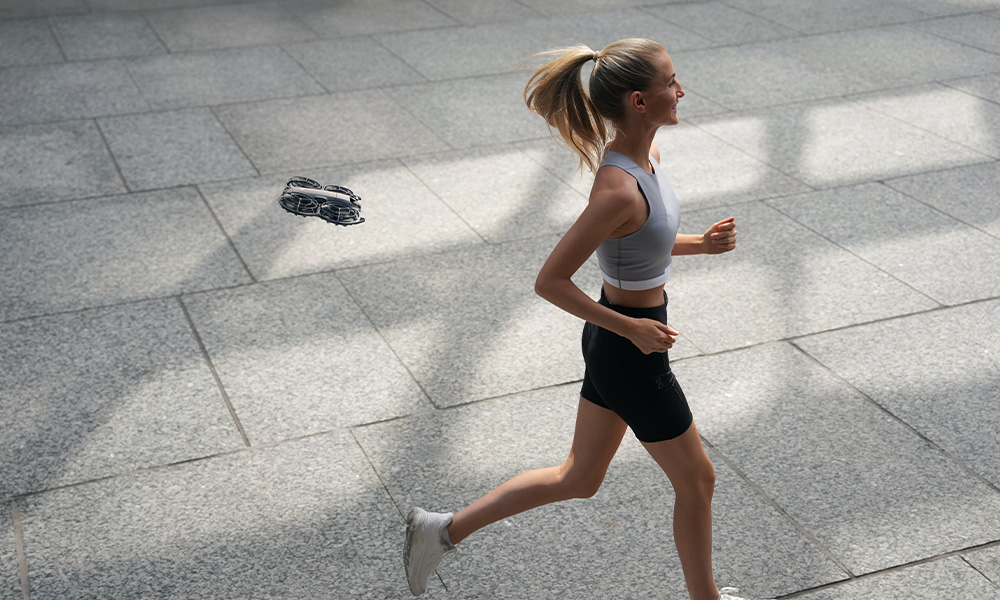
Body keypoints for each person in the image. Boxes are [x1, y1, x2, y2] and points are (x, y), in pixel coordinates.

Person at [403, 38, 755, 600]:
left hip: (620, 339)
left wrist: (701, 245)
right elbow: (550, 281)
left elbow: (645, 246)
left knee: (579, 477)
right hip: (628, 346)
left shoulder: (650, 160)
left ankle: (440, 531)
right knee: (698, 479)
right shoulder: (617, 189)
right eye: (670, 81)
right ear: (639, 101)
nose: (681, 89)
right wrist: (633, 329)